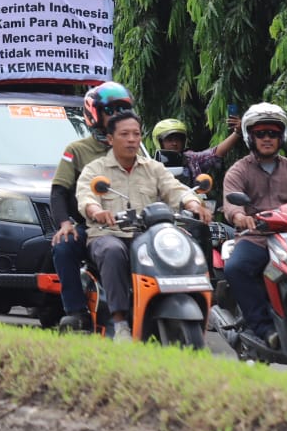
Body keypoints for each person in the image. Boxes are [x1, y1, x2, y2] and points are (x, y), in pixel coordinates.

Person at [76, 110, 208, 341]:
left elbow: (175, 189)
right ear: (110, 139)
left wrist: (193, 203)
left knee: (182, 245)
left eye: (136, 134)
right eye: (125, 134)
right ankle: (120, 324)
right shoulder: (95, 169)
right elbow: (86, 197)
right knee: (112, 251)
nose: (131, 139)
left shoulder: (153, 168)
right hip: (108, 234)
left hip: (148, 236)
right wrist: (97, 211)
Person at [221, 103, 287, 347]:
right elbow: (231, 204)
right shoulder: (238, 170)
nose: (267, 138)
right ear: (250, 137)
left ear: (282, 136)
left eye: (273, 133)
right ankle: (263, 327)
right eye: (260, 133)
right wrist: (239, 217)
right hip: (257, 237)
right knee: (236, 268)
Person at [48, 81, 135, 331]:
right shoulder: (77, 150)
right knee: (63, 246)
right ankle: (77, 312)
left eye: (123, 110)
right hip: (91, 226)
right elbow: (59, 191)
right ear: (94, 115)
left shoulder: (134, 148)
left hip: (132, 224)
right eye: (111, 110)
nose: (117, 116)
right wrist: (64, 224)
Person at [151, 115, 237, 187]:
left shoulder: (191, 158)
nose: (174, 143)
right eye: (169, 140)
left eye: (178, 139)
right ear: (159, 142)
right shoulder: (150, 166)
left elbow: (215, 153)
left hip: (192, 200)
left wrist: (237, 133)